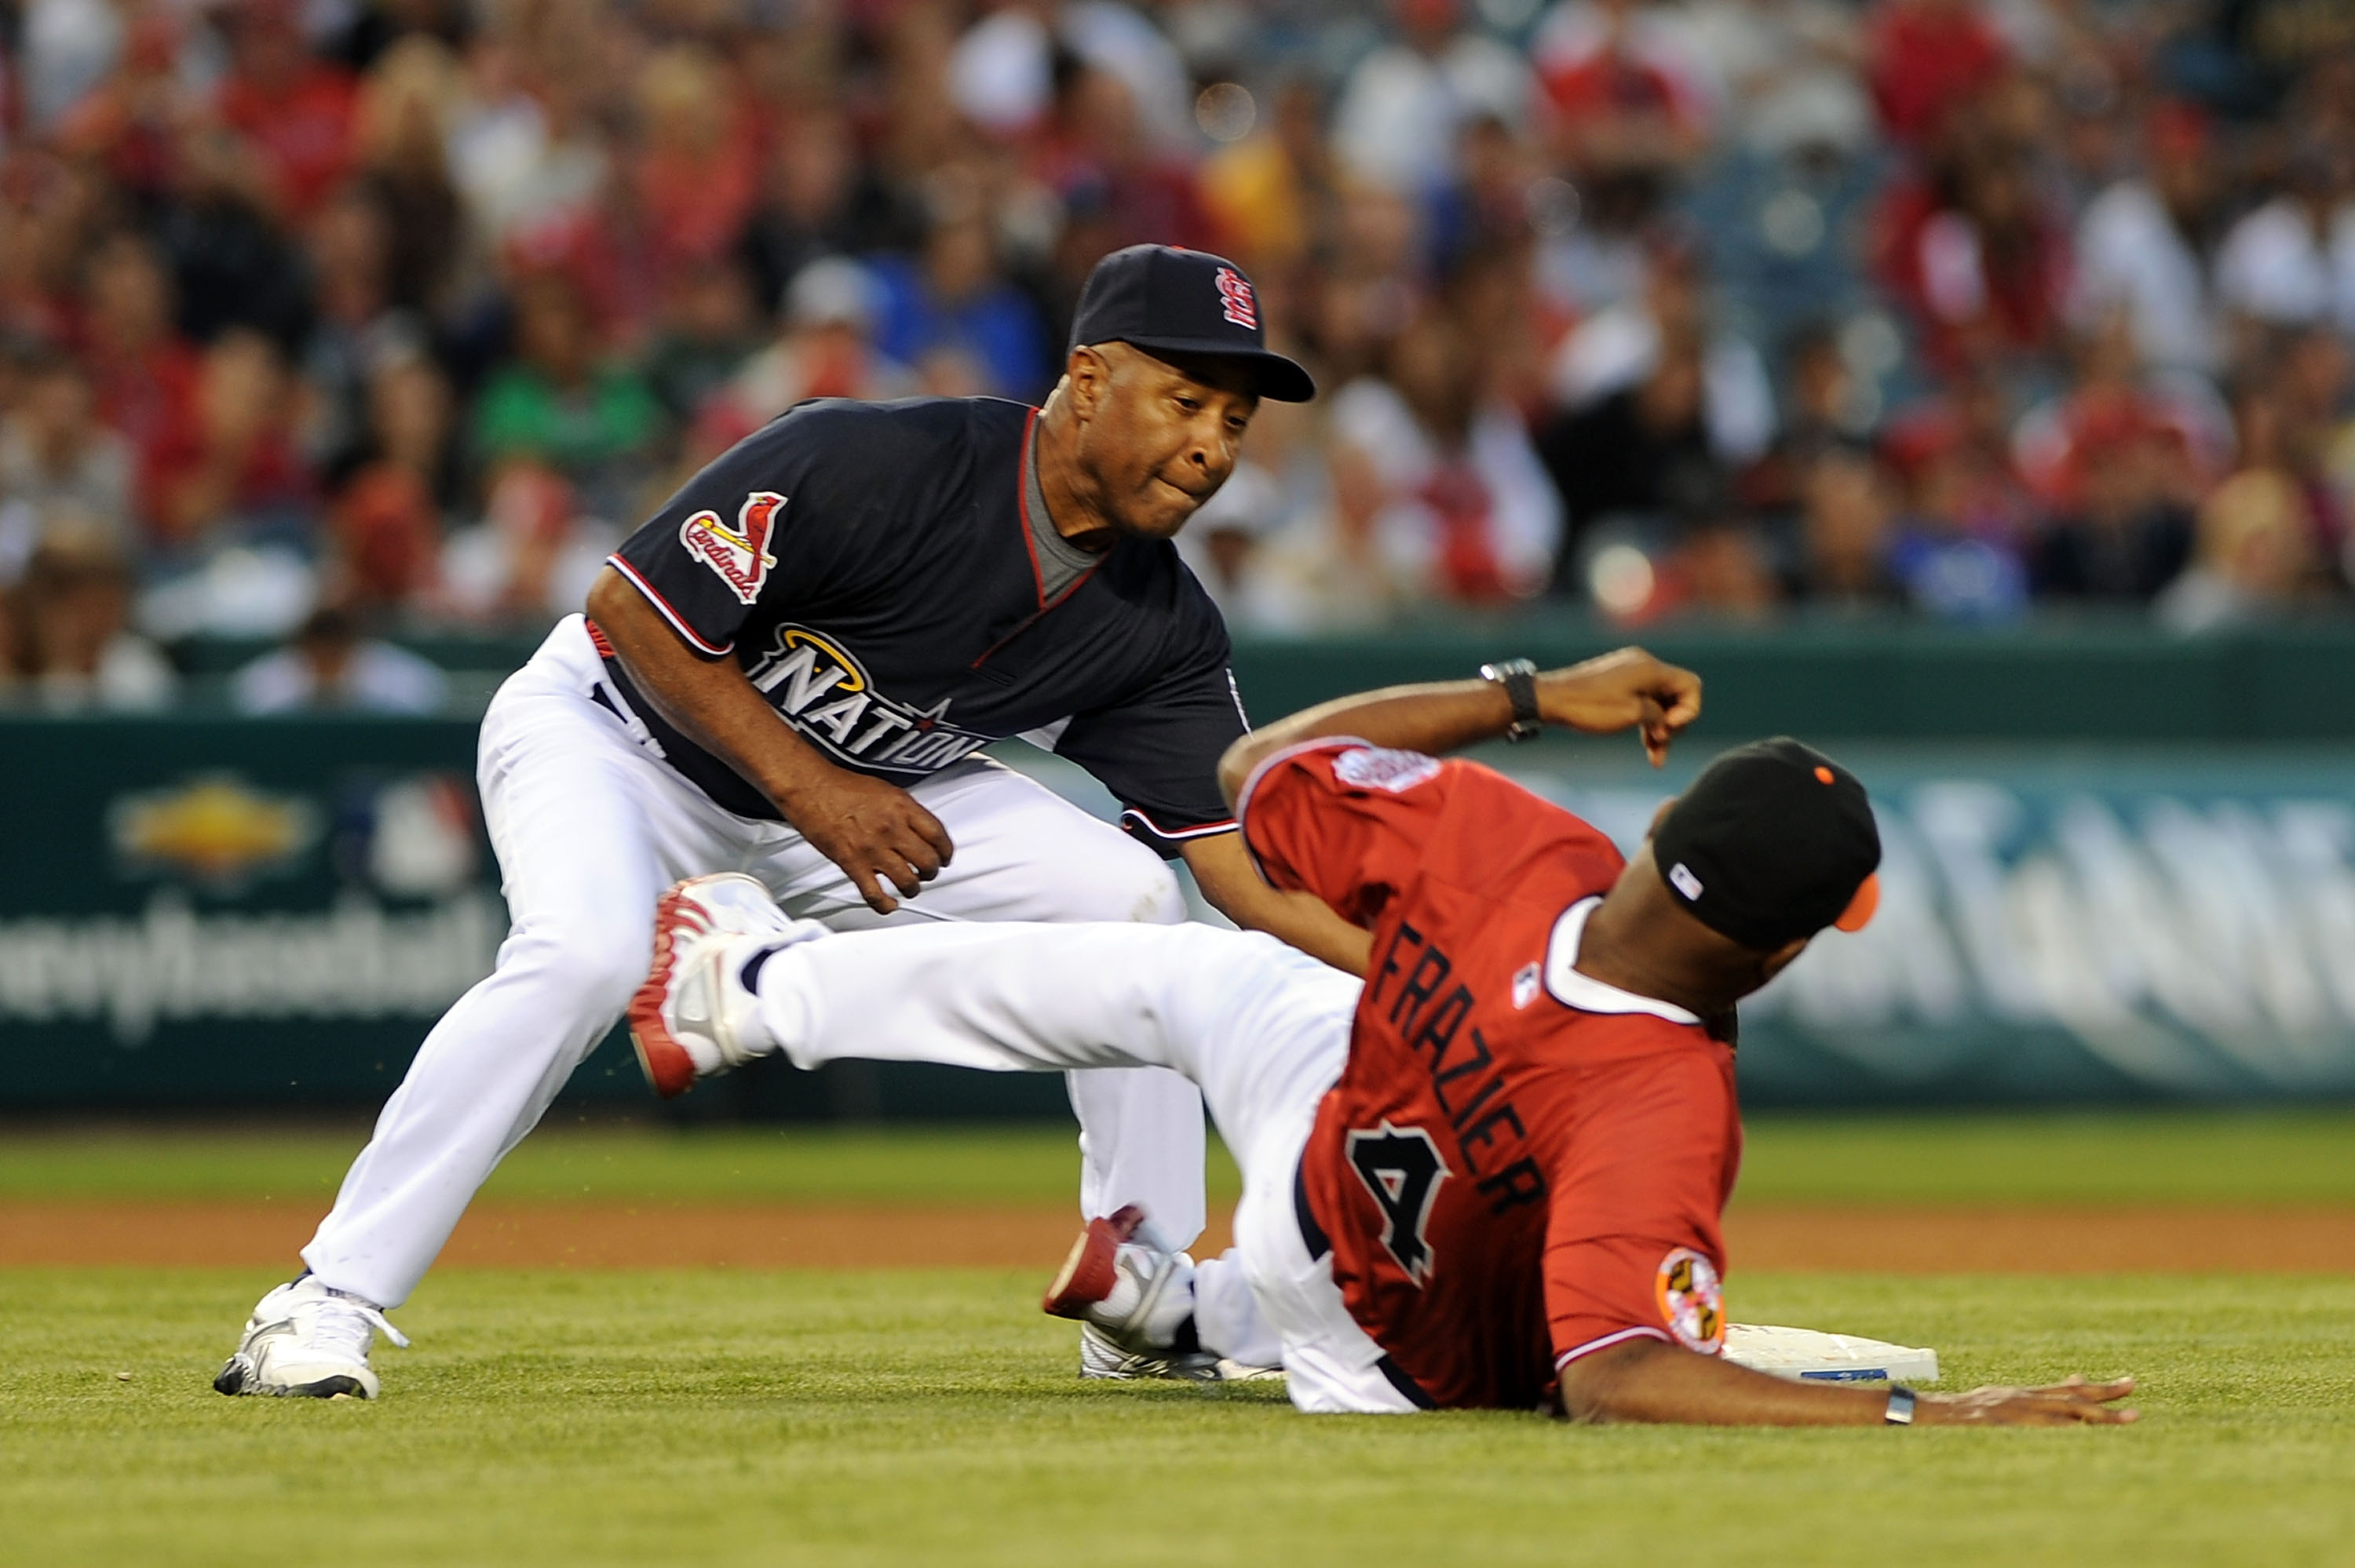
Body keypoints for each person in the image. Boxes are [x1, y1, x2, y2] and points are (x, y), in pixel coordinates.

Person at [214, 244, 1364, 1400]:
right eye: (1183, 400)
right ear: (1087, 375)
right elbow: (631, 609)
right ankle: (322, 1297)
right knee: (585, 953)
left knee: (1129, 901)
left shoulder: (1156, 619)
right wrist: (817, 791)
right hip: (621, 734)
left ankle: (1142, 1296)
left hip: (854, 796)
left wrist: (1418, 975)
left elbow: (1239, 870)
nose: (1212, 444)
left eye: (1233, 417)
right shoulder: (878, 462)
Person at [627, 649, 2138, 1426]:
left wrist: (1527, 694)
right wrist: (1924, 1412)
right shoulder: (1664, 1104)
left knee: (1167, 971)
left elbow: (1259, 765)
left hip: (1328, 1134)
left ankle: (755, 996)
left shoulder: (1514, 841)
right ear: (1791, 944)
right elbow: (1613, 1371)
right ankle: (1194, 1309)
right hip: (1370, 1332)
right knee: (1225, 1009)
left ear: (1658, 826)